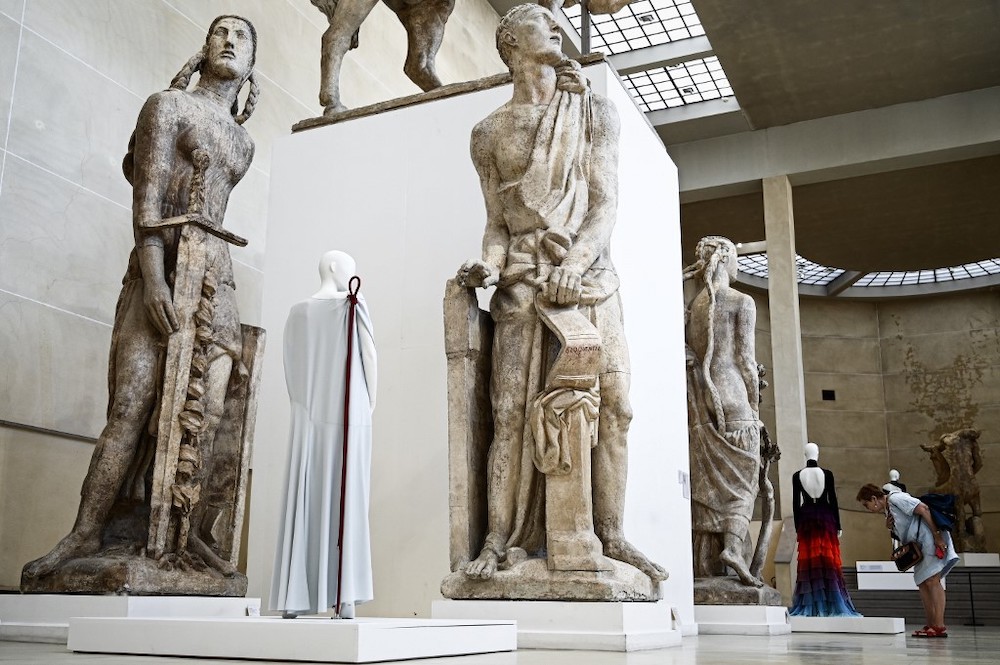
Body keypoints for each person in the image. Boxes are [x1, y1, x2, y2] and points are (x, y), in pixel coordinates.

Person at [23, 15, 259, 580]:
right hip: (161, 269)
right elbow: (148, 193)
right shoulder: (168, 106)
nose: (229, 40)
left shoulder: (243, 142)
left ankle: (181, 535)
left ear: (254, 64)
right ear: (203, 47)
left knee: (206, 412)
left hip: (215, 279)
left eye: (242, 36)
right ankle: (85, 533)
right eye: (219, 31)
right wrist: (154, 276)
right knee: (130, 409)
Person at [456, 3, 664, 583]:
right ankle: (499, 539)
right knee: (510, 415)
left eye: (557, 19)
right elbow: (497, 223)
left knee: (616, 409)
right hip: (522, 282)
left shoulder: (593, 111)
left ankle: (612, 534)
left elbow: (605, 202)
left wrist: (574, 262)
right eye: (539, 18)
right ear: (509, 42)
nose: (556, 25)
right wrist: (487, 265)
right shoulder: (488, 132)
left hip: (590, 276)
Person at [271, 251, 377, 619]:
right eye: (351, 265)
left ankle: (295, 599)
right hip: (351, 413)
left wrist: (303, 407)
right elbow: (369, 359)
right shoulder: (352, 306)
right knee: (349, 498)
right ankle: (344, 598)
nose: (354, 272)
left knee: (307, 496)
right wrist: (369, 405)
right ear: (334, 267)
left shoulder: (297, 312)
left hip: (308, 415)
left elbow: (290, 365)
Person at [683, 236, 762, 586]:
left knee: (712, 488)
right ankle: (732, 548)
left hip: (702, 400)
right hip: (732, 398)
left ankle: (707, 566)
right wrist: (756, 405)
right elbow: (745, 361)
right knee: (744, 482)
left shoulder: (695, 305)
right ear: (726, 258)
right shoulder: (741, 301)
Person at [857, 483, 959, 637]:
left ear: (874, 498)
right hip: (920, 545)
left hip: (929, 538)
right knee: (923, 583)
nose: (868, 508)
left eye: (867, 504)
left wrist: (937, 536)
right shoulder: (888, 510)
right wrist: (890, 528)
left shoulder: (896, 498)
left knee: (932, 580)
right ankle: (931, 624)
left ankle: (939, 625)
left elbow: (923, 509)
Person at [789, 443, 860, 617]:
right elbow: (833, 499)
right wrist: (838, 524)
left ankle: (813, 604)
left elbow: (795, 503)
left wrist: (798, 525)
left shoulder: (797, 475)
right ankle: (831, 603)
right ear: (817, 454)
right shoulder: (827, 474)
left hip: (806, 518)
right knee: (828, 560)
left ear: (805, 454)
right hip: (826, 516)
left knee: (810, 561)